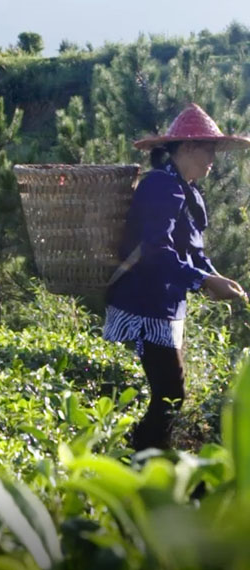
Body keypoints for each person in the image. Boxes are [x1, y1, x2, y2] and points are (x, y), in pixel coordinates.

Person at [104, 103, 249, 451]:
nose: (213, 157)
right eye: (207, 149)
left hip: (165, 304)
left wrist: (215, 277)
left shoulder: (188, 190)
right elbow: (157, 250)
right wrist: (201, 282)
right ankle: (138, 459)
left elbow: (193, 253)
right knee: (171, 392)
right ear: (184, 148)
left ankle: (146, 455)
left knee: (169, 392)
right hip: (144, 303)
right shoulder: (161, 187)